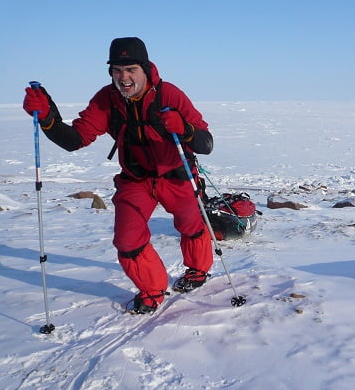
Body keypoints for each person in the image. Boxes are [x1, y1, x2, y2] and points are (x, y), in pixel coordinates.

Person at [23, 37, 214, 314]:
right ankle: (152, 289)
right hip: (136, 178)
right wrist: (47, 118)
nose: (123, 77)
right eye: (116, 70)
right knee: (127, 240)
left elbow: (206, 144)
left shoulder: (169, 95)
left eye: (131, 69)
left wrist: (185, 129)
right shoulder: (107, 99)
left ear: (145, 69)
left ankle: (197, 270)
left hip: (176, 176)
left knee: (191, 225)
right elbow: (75, 139)